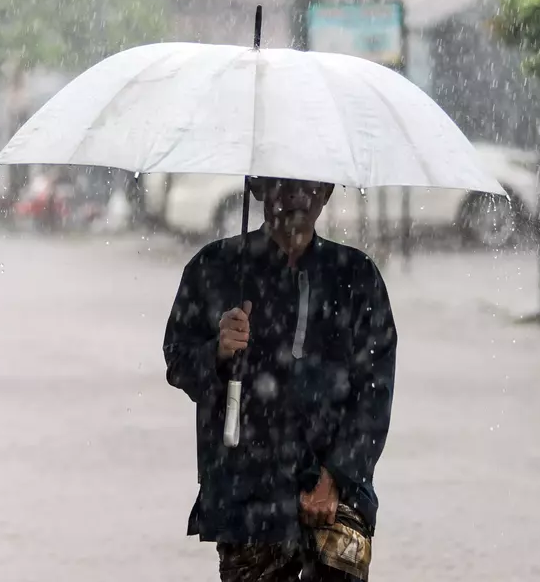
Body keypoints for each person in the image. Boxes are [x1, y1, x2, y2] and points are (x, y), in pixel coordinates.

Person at [163, 177, 398, 582]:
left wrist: (336, 476)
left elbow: (374, 392)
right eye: (283, 182)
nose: (297, 194)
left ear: (327, 192)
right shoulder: (214, 268)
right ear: (256, 187)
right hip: (245, 497)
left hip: (338, 497)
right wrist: (218, 351)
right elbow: (178, 364)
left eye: (311, 184)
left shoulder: (358, 277)